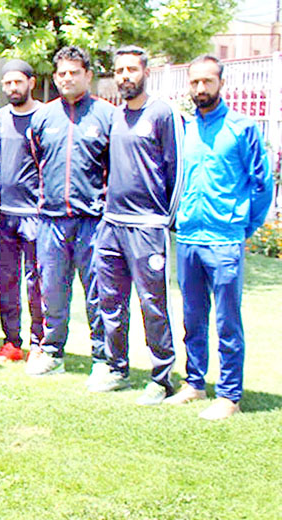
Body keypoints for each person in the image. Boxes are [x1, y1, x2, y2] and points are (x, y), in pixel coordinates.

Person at [164, 54, 274, 420]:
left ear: (221, 83)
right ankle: (194, 384)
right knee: (192, 317)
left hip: (225, 239)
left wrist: (243, 226)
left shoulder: (243, 129)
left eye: (207, 81)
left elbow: (262, 186)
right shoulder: (184, 129)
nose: (200, 88)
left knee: (227, 320)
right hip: (189, 239)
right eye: (194, 82)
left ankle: (229, 395)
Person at [90, 46, 181, 402]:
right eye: (119, 70)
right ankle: (116, 368)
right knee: (110, 301)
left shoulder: (162, 113)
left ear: (145, 72)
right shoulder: (114, 116)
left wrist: (165, 221)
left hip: (148, 227)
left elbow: (177, 169)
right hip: (112, 224)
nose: (125, 76)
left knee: (152, 302)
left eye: (131, 69)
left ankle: (161, 377)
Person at [24, 46, 115, 380]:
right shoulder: (43, 118)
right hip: (51, 221)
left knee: (98, 292)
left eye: (74, 72)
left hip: (93, 222)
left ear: (87, 75)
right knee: (52, 291)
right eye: (61, 73)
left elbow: (115, 168)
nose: (67, 78)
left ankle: (104, 358)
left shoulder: (106, 116)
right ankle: (52, 352)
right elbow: (36, 162)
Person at [0, 59, 44, 365]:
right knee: (6, 281)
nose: (12, 88)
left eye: (18, 82)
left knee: (36, 282)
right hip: (3, 215)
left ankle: (39, 341)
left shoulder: (44, 117)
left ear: (31, 83)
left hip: (35, 214)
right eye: (7, 83)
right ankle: (12, 343)